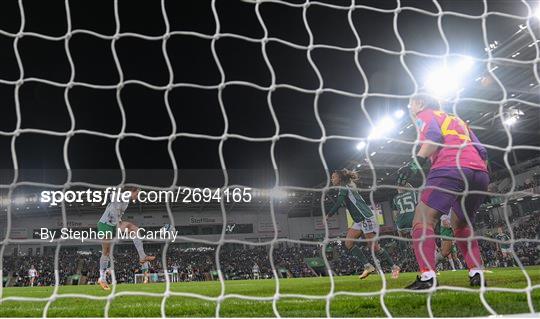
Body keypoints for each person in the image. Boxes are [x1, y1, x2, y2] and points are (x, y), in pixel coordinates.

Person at [396, 92, 489, 289]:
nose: (409, 108)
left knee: (422, 219)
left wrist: (415, 164)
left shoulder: (425, 115)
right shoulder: (457, 119)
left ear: (420, 103)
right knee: (461, 223)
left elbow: (434, 138)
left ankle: (428, 277)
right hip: (479, 173)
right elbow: (482, 151)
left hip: (450, 167)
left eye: (410, 104)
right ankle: (477, 273)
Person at [327, 169, 400, 280]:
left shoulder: (344, 187)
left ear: (340, 178)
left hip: (366, 218)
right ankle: (368, 266)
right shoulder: (348, 185)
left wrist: (328, 215)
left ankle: (394, 267)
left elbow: (338, 203)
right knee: (348, 243)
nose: (332, 179)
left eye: (333, 177)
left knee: (374, 247)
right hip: (358, 221)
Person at [96, 186, 155, 290]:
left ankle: (142, 257)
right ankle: (102, 278)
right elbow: (112, 196)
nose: (137, 196)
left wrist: (119, 222)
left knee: (135, 229)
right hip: (105, 224)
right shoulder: (121, 196)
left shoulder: (126, 202)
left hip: (114, 224)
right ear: (131, 192)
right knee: (106, 252)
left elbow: (118, 214)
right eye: (136, 194)